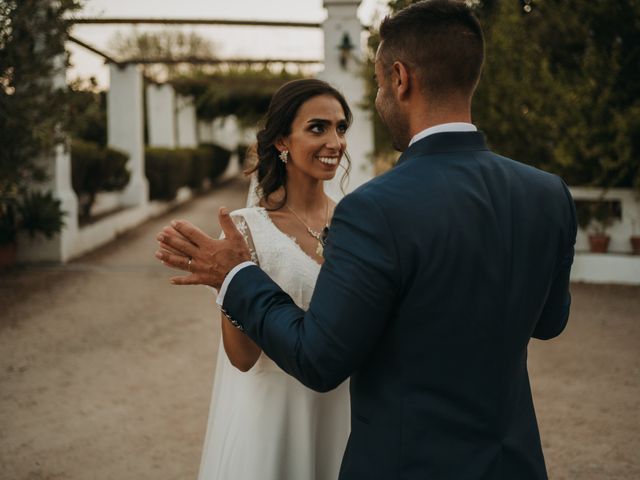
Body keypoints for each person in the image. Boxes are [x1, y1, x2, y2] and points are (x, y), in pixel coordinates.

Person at [156, 1, 577, 479]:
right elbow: (549, 321)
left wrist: (236, 276)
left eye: (377, 86)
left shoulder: (373, 209)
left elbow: (319, 360)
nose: (377, 102)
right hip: (512, 463)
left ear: (400, 79)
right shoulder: (547, 194)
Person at [184, 79, 352, 480]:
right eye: (318, 128)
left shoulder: (356, 218)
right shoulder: (245, 229)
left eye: (341, 127)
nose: (335, 142)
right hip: (274, 413)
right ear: (281, 142)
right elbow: (241, 359)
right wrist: (231, 277)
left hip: (343, 405)